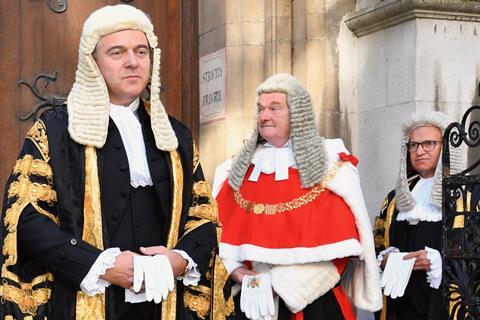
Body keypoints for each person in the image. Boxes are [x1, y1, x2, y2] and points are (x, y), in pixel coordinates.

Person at [0, 4, 231, 320]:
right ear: (93, 63)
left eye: (141, 51)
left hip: (163, 302)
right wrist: (101, 266)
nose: (133, 62)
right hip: (83, 299)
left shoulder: (176, 135)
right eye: (117, 53)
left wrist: (179, 260)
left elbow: (203, 216)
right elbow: (24, 218)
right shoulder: (55, 130)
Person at [212, 73, 382, 319]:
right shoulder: (236, 169)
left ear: (297, 113)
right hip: (248, 302)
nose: (264, 116)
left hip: (313, 304)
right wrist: (237, 273)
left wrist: (278, 286)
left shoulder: (330, 165)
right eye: (260, 109)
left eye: (274, 108)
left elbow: (340, 252)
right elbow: (217, 237)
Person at [373, 111, 462, 320]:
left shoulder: (466, 195)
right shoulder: (393, 198)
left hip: (441, 303)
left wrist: (438, 260)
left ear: (446, 147)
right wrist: (384, 258)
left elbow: (473, 249)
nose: (419, 151)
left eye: (428, 143)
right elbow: (378, 239)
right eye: (413, 145)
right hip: (399, 304)